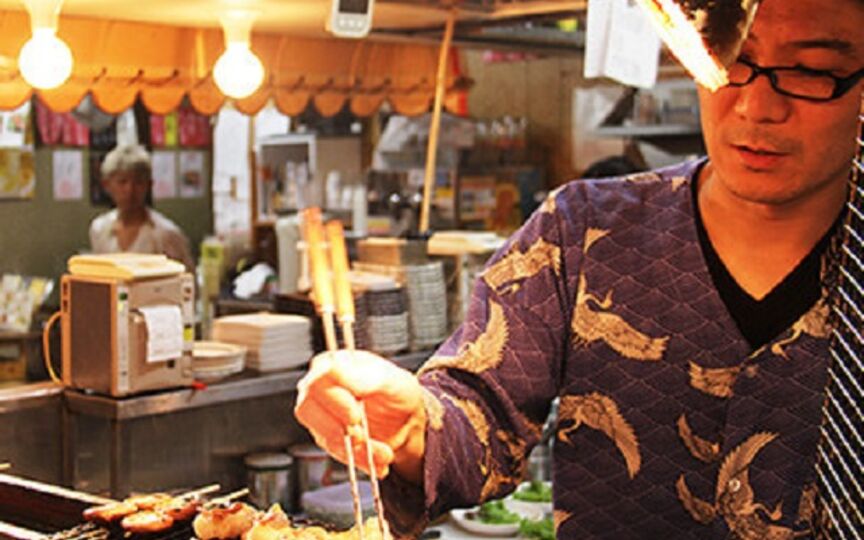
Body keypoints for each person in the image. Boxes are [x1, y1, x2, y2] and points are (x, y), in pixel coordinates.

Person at [295, 0, 864, 537]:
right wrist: (412, 426)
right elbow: (477, 410)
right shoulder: (583, 231)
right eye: (733, 61)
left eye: (812, 70)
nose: (756, 105)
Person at [89, 144, 194, 271]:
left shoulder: (166, 234)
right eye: (122, 182)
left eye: (138, 182)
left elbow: (187, 283)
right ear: (107, 185)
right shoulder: (100, 230)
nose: (130, 190)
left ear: (149, 185)